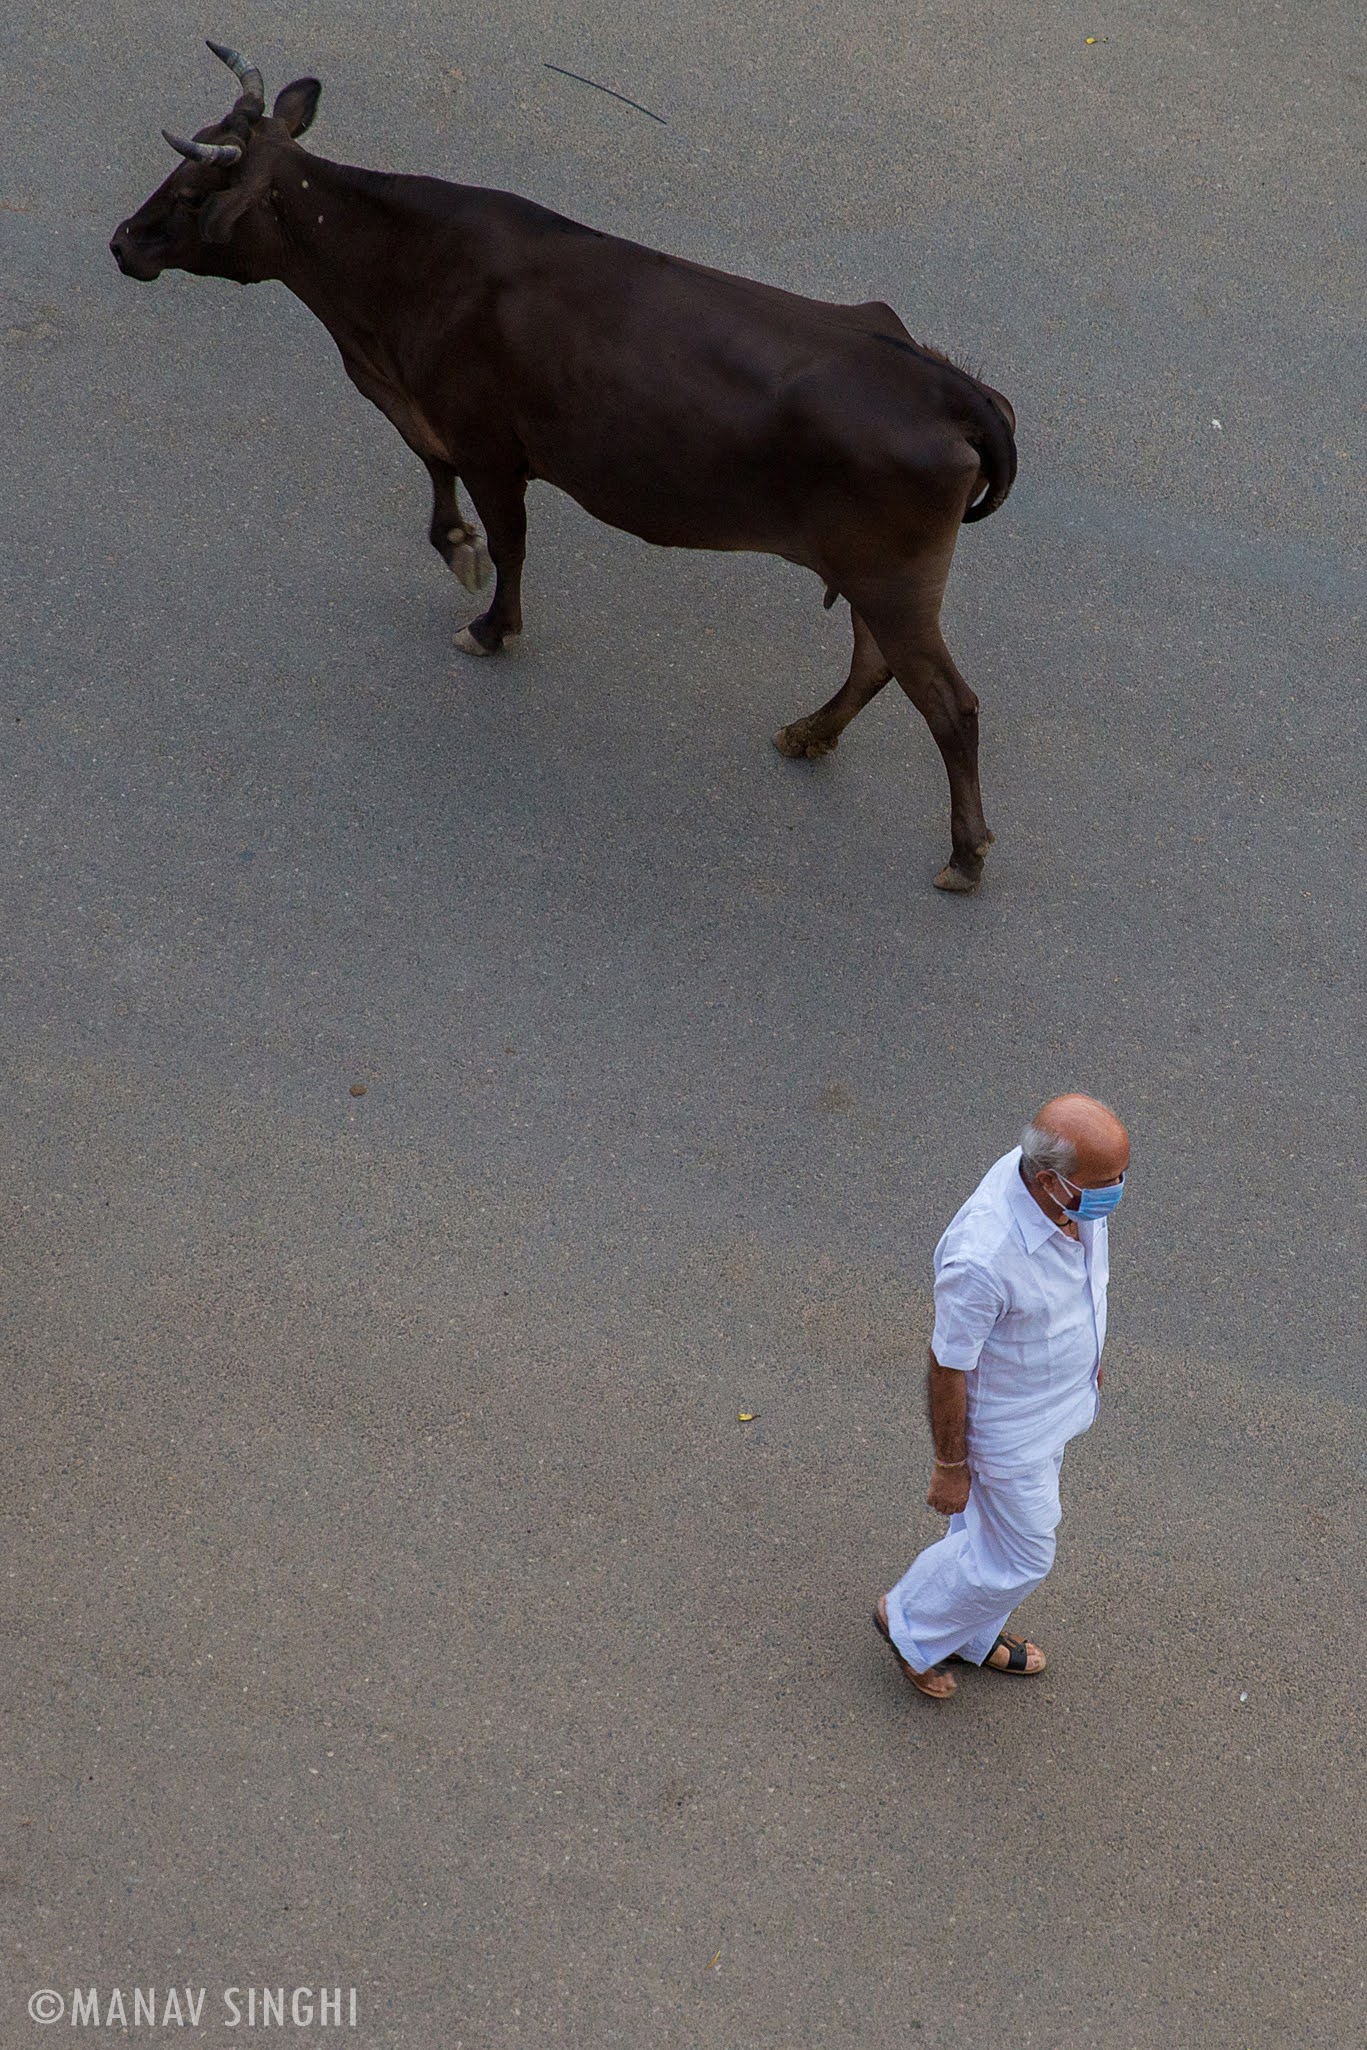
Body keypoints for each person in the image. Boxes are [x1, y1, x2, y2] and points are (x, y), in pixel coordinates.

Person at [874, 1094, 1130, 1700]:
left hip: (1055, 1408)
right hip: (1008, 1434)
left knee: (985, 1539)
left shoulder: (1065, 1199)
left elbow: (1077, 1288)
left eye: (1122, 1174)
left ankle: (966, 1635)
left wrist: (1089, 1359)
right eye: (1108, 1181)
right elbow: (947, 1364)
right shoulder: (983, 1257)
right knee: (1022, 1554)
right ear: (1050, 1181)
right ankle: (909, 1621)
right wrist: (951, 1466)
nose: (1117, 1191)